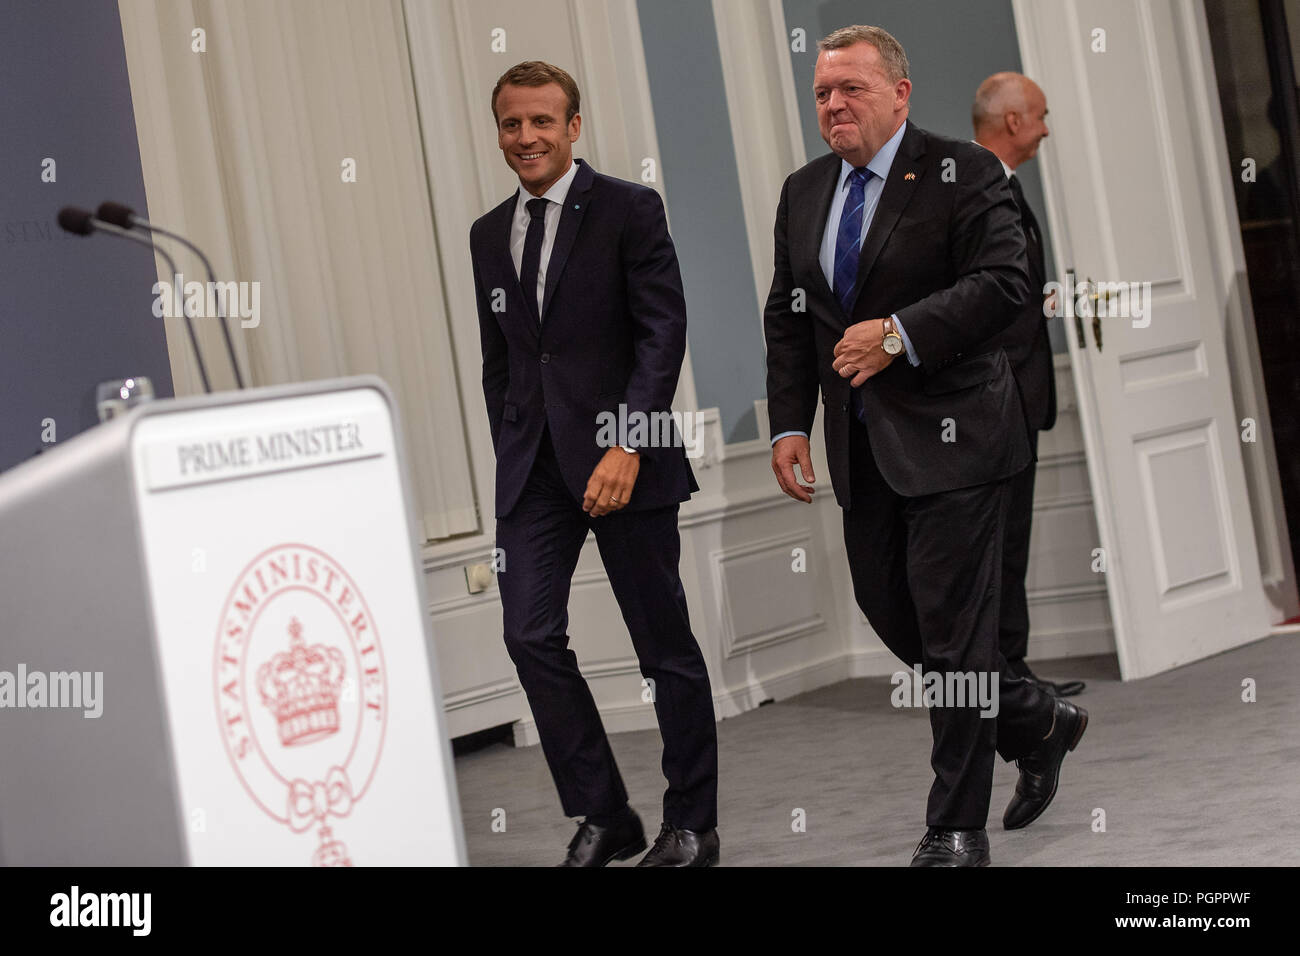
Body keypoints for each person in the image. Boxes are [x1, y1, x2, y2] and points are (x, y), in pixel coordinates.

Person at [763, 26, 1088, 865]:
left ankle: (954, 827)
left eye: (852, 89)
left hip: (960, 439)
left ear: (900, 93)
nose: (834, 105)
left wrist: (900, 335)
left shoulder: (964, 172)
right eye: (823, 92)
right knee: (892, 613)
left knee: (950, 639)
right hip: (861, 449)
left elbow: (1006, 284)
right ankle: (1036, 717)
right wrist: (790, 422)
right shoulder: (802, 192)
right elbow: (790, 318)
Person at [469, 61, 719, 867]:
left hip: (625, 457)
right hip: (534, 471)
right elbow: (501, 361)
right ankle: (605, 814)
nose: (527, 136)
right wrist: (513, 443)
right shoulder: (486, 235)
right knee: (529, 633)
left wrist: (625, 444)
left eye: (543, 121)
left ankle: (693, 822)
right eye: (512, 123)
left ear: (574, 126)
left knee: (663, 646)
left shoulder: (627, 209)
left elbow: (661, 335)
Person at [972, 71, 1085, 698]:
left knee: (1013, 542)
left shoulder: (1005, 187)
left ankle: (1014, 672)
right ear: (1012, 121)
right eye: (1039, 115)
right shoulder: (977, 190)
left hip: (1019, 398)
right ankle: (1001, 678)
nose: (1044, 128)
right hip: (996, 402)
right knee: (994, 548)